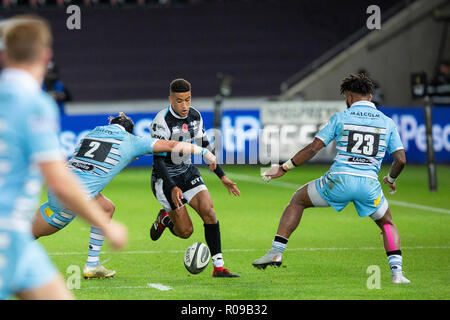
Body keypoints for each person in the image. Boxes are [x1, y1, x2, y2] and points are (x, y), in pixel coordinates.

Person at [0, 16, 127, 300]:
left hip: (18, 241)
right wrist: (107, 225)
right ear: (46, 55)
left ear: (5, 55)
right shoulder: (36, 104)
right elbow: (59, 180)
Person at [253, 73, 410, 285]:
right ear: (371, 97)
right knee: (386, 223)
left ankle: (276, 252)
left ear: (350, 97)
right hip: (369, 185)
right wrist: (390, 179)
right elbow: (400, 159)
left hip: (338, 181)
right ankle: (397, 274)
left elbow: (313, 148)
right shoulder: (387, 122)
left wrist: (284, 167)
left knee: (298, 199)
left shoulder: (341, 118)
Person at [32, 112, 217, 279]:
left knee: (106, 208)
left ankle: (92, 265)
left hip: (59, 185)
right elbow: (172, 145)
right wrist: (203, 151)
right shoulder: (131, 141)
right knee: (30, 234)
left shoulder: (92, 133)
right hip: (73, 199)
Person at [149, 78, 241, 278]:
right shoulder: (161, 121)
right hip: (165, 179)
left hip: (187, 171)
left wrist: (222, 176)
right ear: (171, 99)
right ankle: (164, 218)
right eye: (180, 100)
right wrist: (172, 187)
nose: (184, 105)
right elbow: (158, 161)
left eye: (188, 100)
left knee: (209, 211)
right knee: (186, 232)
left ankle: (219, 267)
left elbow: (205, 145)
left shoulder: (195, 115)